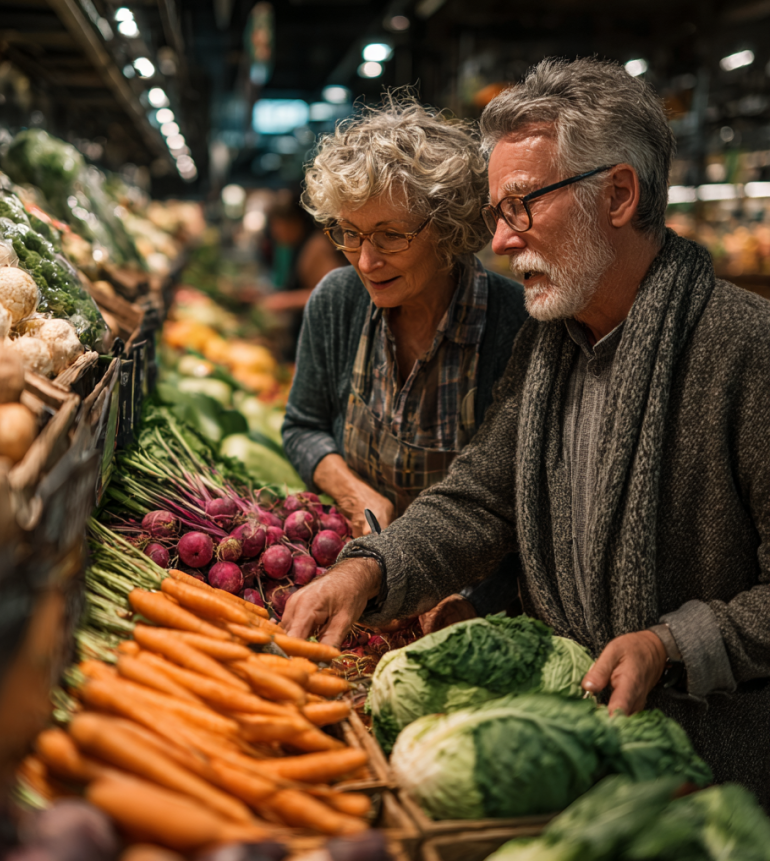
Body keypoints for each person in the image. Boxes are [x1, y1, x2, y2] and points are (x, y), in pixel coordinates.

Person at [283, 57, 770, 805]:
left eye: (521, 207)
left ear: (617, 194)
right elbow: (481, 497)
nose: (502, 243)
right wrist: (369, 569)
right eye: (497, 214)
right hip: (574, 753)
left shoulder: (745, 352)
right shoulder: (554, 345)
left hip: (709, 785)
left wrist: (671, 643)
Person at [281, 95, 528, 627]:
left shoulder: (516, 327)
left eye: (391, 235)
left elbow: (521, 510)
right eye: (349, 233)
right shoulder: (337, 300)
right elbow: (301, 426)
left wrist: (469, 601)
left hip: (464, 604)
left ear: (446, 228)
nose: (366, 261)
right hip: (349, 579)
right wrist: (354, 493)